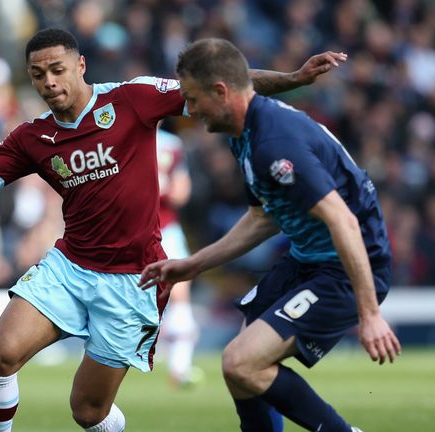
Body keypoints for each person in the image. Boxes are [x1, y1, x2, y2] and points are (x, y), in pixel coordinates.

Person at [0, 28, 346, 432]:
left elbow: (219, 85)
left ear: (79, 65)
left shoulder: (134, 99)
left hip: (133, 280)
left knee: (87, 411)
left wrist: (295, 78)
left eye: (56, 70)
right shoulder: (32, 137)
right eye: (36, 75)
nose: (48, 83)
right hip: (69, 268)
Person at [139, 38, 401, 432]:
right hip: (307, 258)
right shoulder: (244, 132)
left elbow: (343, 220)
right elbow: (263, 218)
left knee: (241, 362)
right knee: (240, 369)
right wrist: (192, 265)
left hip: (346, 266)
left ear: (221, 92)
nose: (188, 111)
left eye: (192, 99)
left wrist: (370, 315)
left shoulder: (273, 144)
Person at [155, 126, 201, 387]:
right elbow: (182, 192)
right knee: (180, 292)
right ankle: (179, 366)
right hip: (156, 227)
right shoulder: (171, 144)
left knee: (180, 290)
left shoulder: (171, 144)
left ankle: (180, 366)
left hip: (160, 227)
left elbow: (181, 192)